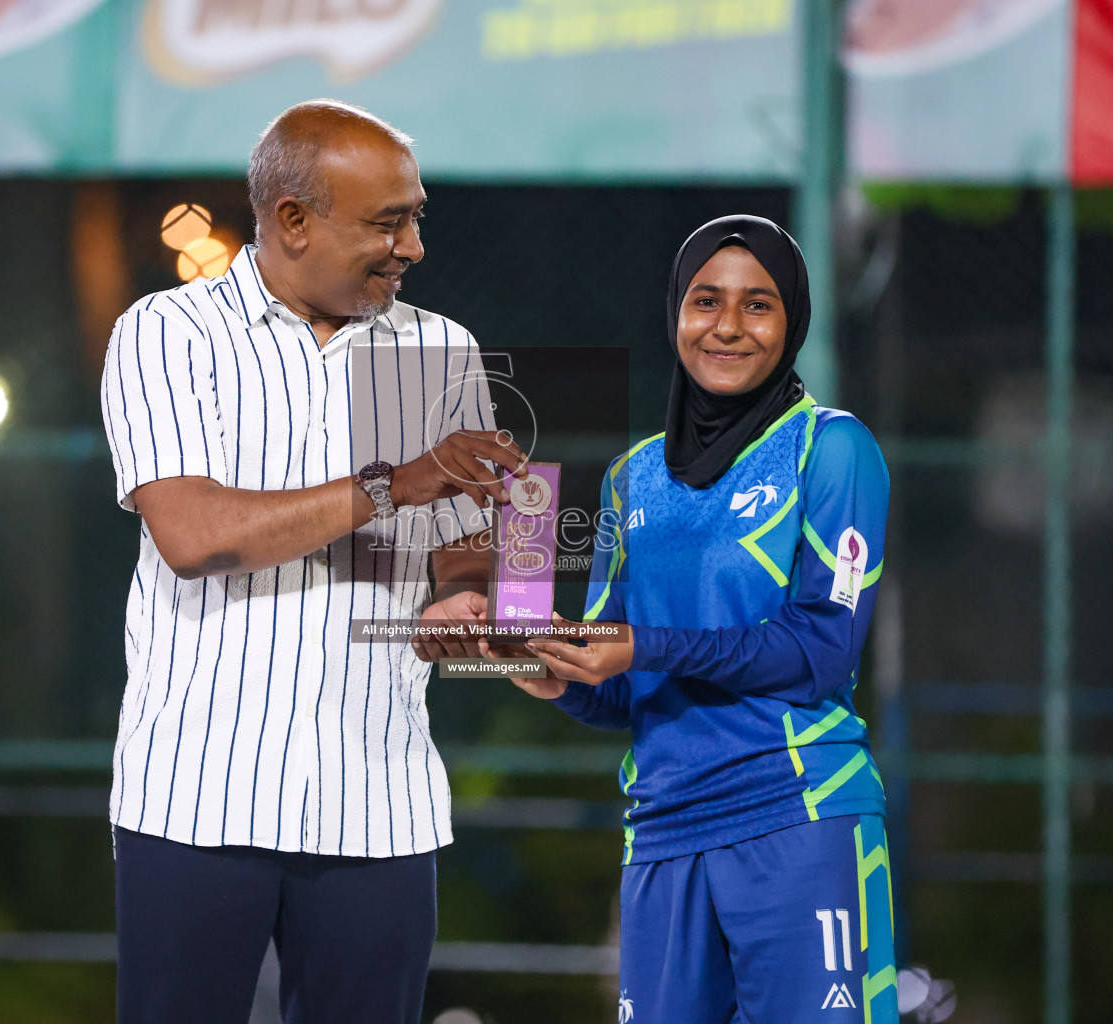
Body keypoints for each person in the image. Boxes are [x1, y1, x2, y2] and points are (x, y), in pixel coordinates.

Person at [100, 99, 525, 1024]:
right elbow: (195, 533)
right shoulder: (169, 334)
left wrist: (467, 600)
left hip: (380, 796)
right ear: (292, 220)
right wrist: (391, 486)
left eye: (417, 216)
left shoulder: (441, 349)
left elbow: (469, 553)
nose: (412, 245)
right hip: (197, 795)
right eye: (387, 221)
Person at [487, 215, 899, 1022]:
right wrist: (534, 660)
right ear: (675, 311)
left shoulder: (833, 450)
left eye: (759, 305)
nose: (727, 327)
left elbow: (824, 648)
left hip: (798, 817)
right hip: (663, 833)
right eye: (706, 300)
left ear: (793, 323)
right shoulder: (630, 478)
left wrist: (639, 645)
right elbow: (616, 692)